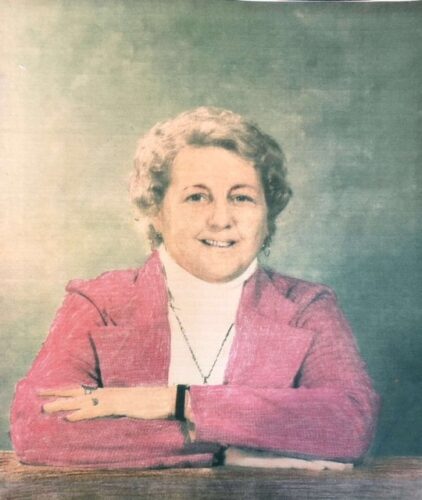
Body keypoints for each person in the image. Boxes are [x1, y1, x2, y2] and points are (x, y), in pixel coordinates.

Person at [10, 107, 379, 469]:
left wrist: (178, 402)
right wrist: (229, 450)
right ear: (156, 210)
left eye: (241, 197)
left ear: (267, 215)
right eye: (197, 197)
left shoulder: (307, 306)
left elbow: (350, 423)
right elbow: (37, 429)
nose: (221, 219)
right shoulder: (100, 302)